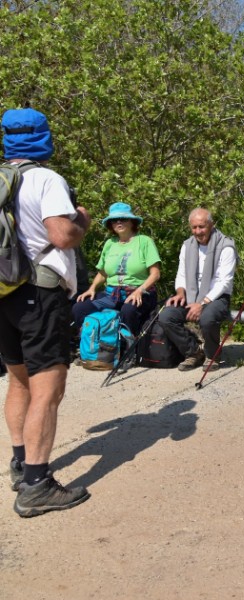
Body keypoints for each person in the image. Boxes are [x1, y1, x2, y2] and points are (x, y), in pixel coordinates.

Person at [0, 107, 92, 516]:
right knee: (47, 386)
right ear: (44, 137)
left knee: (19, 381)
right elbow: (61, 234)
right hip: (40, 290)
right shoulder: (45, 179)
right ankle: (37, 485)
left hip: (3, 291)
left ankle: (21, 463)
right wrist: (83, 223)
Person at [160, 208, 237, 372]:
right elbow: (181, 275)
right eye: (194, 227)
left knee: (207, 319)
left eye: (201, 227)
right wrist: (180, 292)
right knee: (166, 315)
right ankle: (193, 352)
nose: (198, 231)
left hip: (216, 297)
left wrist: (202, 303)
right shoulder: (187, 246)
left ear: (211, 225)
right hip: (191, 296)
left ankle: (212, 355)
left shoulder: (226, 246)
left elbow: (224, 282)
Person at [71, 202, 161, 338]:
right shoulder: (110, 243)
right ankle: (90, 346)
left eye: (123, 219)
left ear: (132, 222)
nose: (118, 222)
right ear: (110, 224)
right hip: (111, 294)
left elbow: (155, 274)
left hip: (139, 292)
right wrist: (92, 288)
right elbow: (103, 273)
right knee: (80, 308)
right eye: (114, 220)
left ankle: (129, 350)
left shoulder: (144, 241)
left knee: (128, 311)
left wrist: (139, 291)